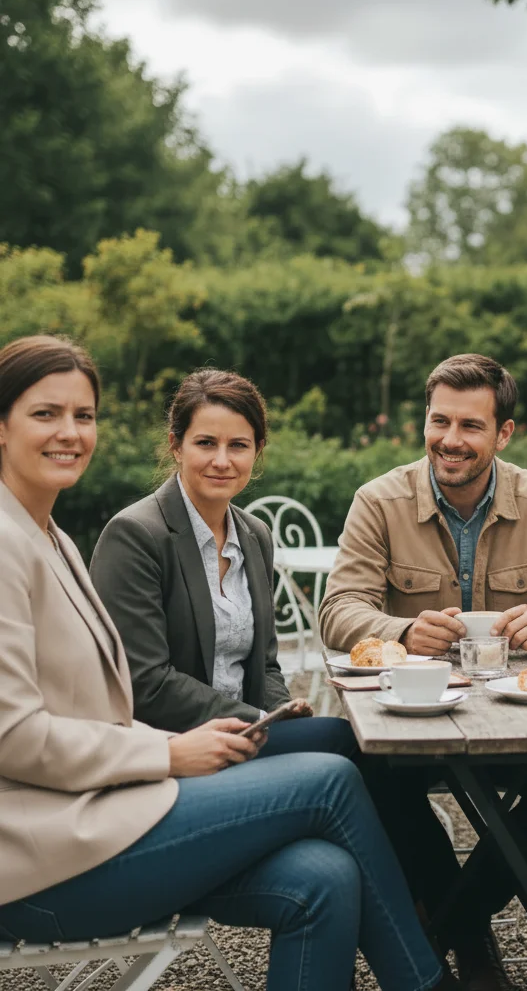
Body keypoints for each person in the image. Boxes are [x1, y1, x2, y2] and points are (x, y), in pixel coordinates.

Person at [0, 335, 452, 991]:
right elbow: (14, 737)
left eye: (84, 415)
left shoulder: (49, 536)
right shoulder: (17, 543)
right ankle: (434, 964)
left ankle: (446, 918)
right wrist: (172, 754)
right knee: (329, 773)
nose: (70, 431)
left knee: (324, 877)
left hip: (102, 809)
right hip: (39, 856)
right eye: (46, 413)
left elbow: (105, 706)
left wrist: (215, 737)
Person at [319, 353, 527, 991]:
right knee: (372, 775)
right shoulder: (379, 500)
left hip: (516, 713)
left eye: (470, 426)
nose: (450, 440)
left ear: (503, 433)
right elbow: (338, 610)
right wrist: (401, 632)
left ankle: (453, 923)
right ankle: (471, 941)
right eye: (439, 422)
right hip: (412, 715)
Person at [90, 368, 354, 758]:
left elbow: (265, 667)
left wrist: (283, 716)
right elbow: (145, 684)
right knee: (342, 744)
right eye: (206, 443)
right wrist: (262, 721)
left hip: (251, 732)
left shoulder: (255, 535)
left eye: (238, 446)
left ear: (257, 450)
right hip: (176, 748)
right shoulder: (134, 536)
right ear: (176, 446)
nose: (222, 460)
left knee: (361, 750)